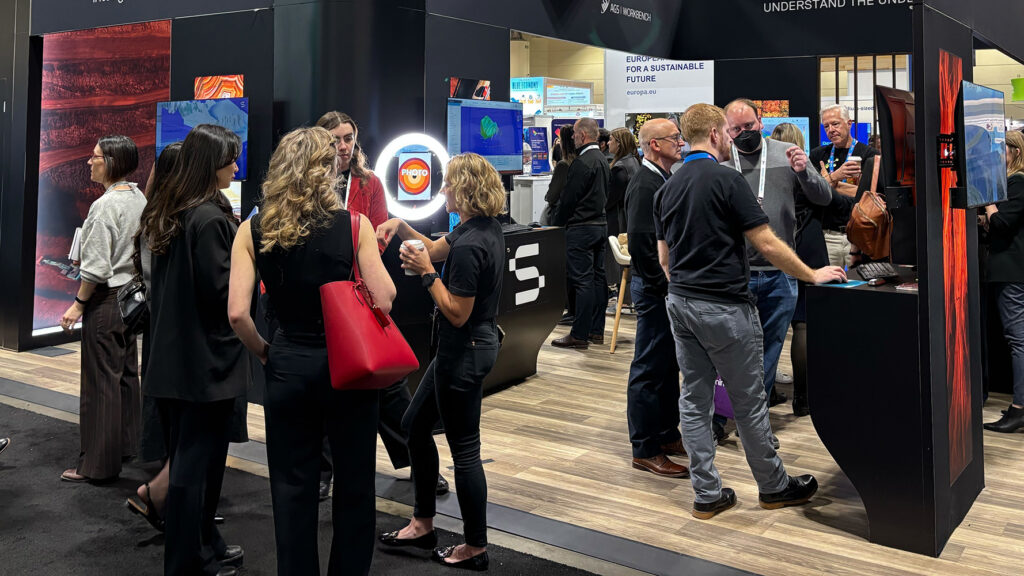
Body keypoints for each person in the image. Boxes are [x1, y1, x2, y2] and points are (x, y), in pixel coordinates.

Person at [657, 103, 845, 519]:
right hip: (724, 305)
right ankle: (774, 486)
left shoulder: (667, 185)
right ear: (714, 133)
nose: (733, 137)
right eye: (727, 130)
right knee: (749, 399)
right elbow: (768, 243)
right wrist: (812, 274)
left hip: (682, 303)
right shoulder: (727, 179)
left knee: (694, 397)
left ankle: (706, 493)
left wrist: (687, 289)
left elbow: (664, 259)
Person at [228, 126, 395, 575]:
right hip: (349, 369)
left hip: (287, 364)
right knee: (355, 484)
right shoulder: (354, 226)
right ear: (325, 172)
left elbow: (238, 315)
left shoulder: (252, 228)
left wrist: (266, 352)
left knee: (291, 487)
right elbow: (386, 297)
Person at [375, 153, 505, 570]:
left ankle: (475, 547)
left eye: (448, 184)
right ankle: (422, 522)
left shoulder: (469, 247)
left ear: (464, 190)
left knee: (465, 450)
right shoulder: (480, 228)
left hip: (464, 350)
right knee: (413, 425)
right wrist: (400, 226)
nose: (443, 190)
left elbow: (456, 312)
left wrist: (427, 275)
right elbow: (432, 247)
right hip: (461, 350)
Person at [313, 111, 448, 502]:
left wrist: (357, 256)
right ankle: (324, 470)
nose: (343, 145)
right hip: (322, 294)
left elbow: (378, 233)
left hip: (362, 289)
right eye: (336, 138)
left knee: (389, 384)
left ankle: (417, 462)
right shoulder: (307, 184)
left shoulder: (369, 183)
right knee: (327, 383)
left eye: (348, 137)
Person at [141, 124, 247, 576]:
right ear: (212, 164)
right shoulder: (208, 219)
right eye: (230, 160)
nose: (236, 167)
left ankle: (202, 546)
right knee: (192, 469)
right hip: (205, 364)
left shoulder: (172, 210)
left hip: (175, 359)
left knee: (192, 464)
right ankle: (188, 560)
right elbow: (223, 294)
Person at [715, 100, 832, 445]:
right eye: (735, 129)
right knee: (730, 352)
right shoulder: (720, 158)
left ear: (761, 120)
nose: (743, 134)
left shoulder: (787, 152)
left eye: (749, 126)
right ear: (726, 129)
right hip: (735, 272)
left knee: (768, 353)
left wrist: (805, 171)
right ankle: (719, 418)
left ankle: (755, 425)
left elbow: (823, 197)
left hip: (780, 273)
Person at [59, 135, 146, 483]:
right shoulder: (138, 197)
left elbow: (95, 268)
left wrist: (77, 305)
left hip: (106, 301)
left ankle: (97, 465)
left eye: (94, 157)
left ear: (110, 161)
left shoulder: (104, 206)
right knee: (125, 376)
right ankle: (127, 447)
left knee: (100, 384)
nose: (89, 162)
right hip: (131, 299)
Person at [624, 118, 687, 478]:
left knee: (666, 366)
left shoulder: (663, 178)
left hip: (663, 289)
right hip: (654, 292)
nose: (680, 143)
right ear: (654, 146)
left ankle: (665, 433)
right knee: (649, 368)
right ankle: (645, 447)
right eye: (674, 138)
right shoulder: (645, 184)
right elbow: (643, 247)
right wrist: (666, 290)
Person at [551, 118, 610, 349]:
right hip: (599, 226)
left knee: (583, 282)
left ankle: (580, 334)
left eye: (575, 134)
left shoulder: (582, 162)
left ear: (583, 135)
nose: (572, 137)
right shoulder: (603, 160)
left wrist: (557, 225)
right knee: (597, 279)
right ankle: (596, 331)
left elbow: (568, 199)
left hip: (581, 229)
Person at [983, 130, 1024, 433]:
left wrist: (987, 204)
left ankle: (1020, 408)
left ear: (1014, 152)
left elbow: (1002, 222)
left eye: (1000, 151)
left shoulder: (1017, 182)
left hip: (1012, 271)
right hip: (1011, 269)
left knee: (1018, 339)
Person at [809, 104, 879, 268]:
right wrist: (836, 176)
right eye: (826, 126)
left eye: (835, 123)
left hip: (859, 236)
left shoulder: (870, 155)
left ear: (849, 123)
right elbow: (811, 193)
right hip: (828, 236)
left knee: (861, 287)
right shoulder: (818, 155)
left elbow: (871, 197)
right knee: (829, 288)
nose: (831, 129)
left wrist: (829, 184)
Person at [543, 125, 578, 326]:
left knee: (566, 268)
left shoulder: (564, 166)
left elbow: (551, 195)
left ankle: (570, 309)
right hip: (575, 221)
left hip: (562, 222)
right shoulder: (581, 163)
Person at [606, 127, 640, 239]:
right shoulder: (634, 160)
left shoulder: (619, 168)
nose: (608, 143)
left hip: (619, 222)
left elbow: (611, 199)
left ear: (619, 143)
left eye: (611, 140)